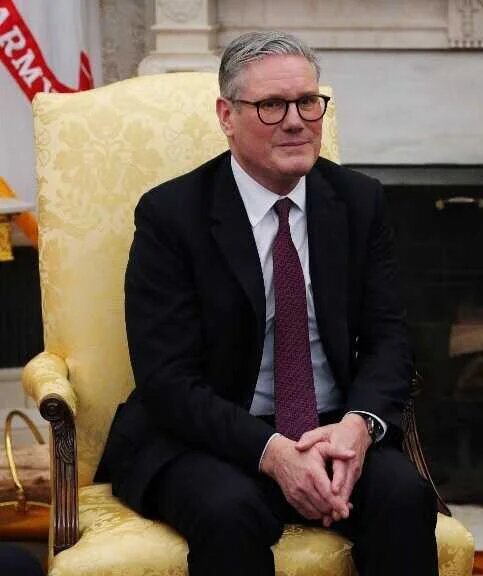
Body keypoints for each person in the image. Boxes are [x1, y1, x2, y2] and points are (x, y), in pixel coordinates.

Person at [94, 30, 438, 576]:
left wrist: (358, 428)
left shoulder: (359, 201)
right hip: (206, 437)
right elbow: (167, 380)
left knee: (405, 496)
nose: (297, 120)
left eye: (307, 102)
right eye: (272, 105)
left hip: (331, 427)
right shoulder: (171, 216)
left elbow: (388, 339)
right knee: (230, 512)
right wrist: (273, 451)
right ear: (226, 116)